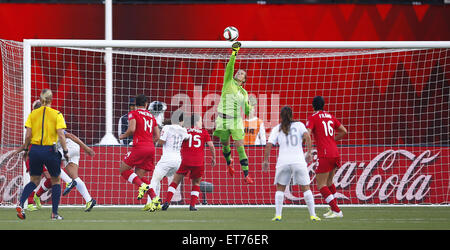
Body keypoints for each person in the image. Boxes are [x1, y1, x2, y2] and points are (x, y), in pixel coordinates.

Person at [13, 89, 69, 220]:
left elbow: (28, 135)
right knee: (55, 181)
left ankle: (21, 204)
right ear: (51, 99)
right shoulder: (57, 114)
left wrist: (26, 150)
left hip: (35, 150)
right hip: (50, 150)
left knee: (34, 180)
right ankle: (54, 214)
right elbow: (61, 135)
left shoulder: (33, 114)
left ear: (41, 99)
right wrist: (65, 151)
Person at [263, 106, 320, 222]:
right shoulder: (299, 125)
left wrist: (266, 160)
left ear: (281, 116)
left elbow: (269, 145)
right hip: (298, 161)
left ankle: (278, 215)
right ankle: (313, 215)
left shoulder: (277, 128)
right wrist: (309, 152)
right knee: (306, 188)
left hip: (283, 162)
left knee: (280, 188)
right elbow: (308, 137)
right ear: (291, 114)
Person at [213, 41, 253, 184]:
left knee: (239, 146)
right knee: (225, 145)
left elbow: (247, 109)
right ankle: (229, 163)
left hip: (236, 120)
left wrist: (250, 108)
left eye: (242, 73)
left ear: (244, 80)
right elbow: (230, 66)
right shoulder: (228, 81)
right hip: (222, 119)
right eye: (238, 71)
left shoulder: (244, 92)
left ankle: (246, 174)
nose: (239, 73)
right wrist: (234, 53)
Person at [161, 114, 216, 211]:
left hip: (185, 160)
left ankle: (167, 202)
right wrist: (214, 158)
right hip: (198, 162)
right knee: (196, 183)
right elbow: (211, 146)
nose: (201, 123)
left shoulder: (185, 130)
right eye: (200, 121)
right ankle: (192, 205)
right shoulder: (204, 132)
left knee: (175, 181)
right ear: (196, 122)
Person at [306, 96, 347, 218]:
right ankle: (333, 209)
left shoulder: (313, 117)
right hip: (334, 152)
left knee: (321, 185)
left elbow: (307, 134)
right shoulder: (330, 116)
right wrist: (332, 140)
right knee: (329, 182)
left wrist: (306, 147)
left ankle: (337, 211)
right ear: (323, 105)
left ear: (313, 106)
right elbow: (344, 131)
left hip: (324, 153)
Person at [143, 111, 189, 212]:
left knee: (154, 180)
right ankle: (158, 203)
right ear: (181, 121)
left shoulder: (167, 127)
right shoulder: (184, 130)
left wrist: (155, 139)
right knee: (161, 179)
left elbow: (161, 141)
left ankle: (150, 203)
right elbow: (187, 138)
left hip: (167, 160)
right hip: (178, 162)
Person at [118, 94, 160, 203]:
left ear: (136, 104)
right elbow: (157, 136)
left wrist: (123, 135)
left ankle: (142, 186)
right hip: (150, 148)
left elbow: (132, 129)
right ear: (146, 104)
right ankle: (155, 198)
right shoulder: (151, 116)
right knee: (139, 176)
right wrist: (149, 143)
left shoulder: (133, 113)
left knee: (123, 170)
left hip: (139, 147)